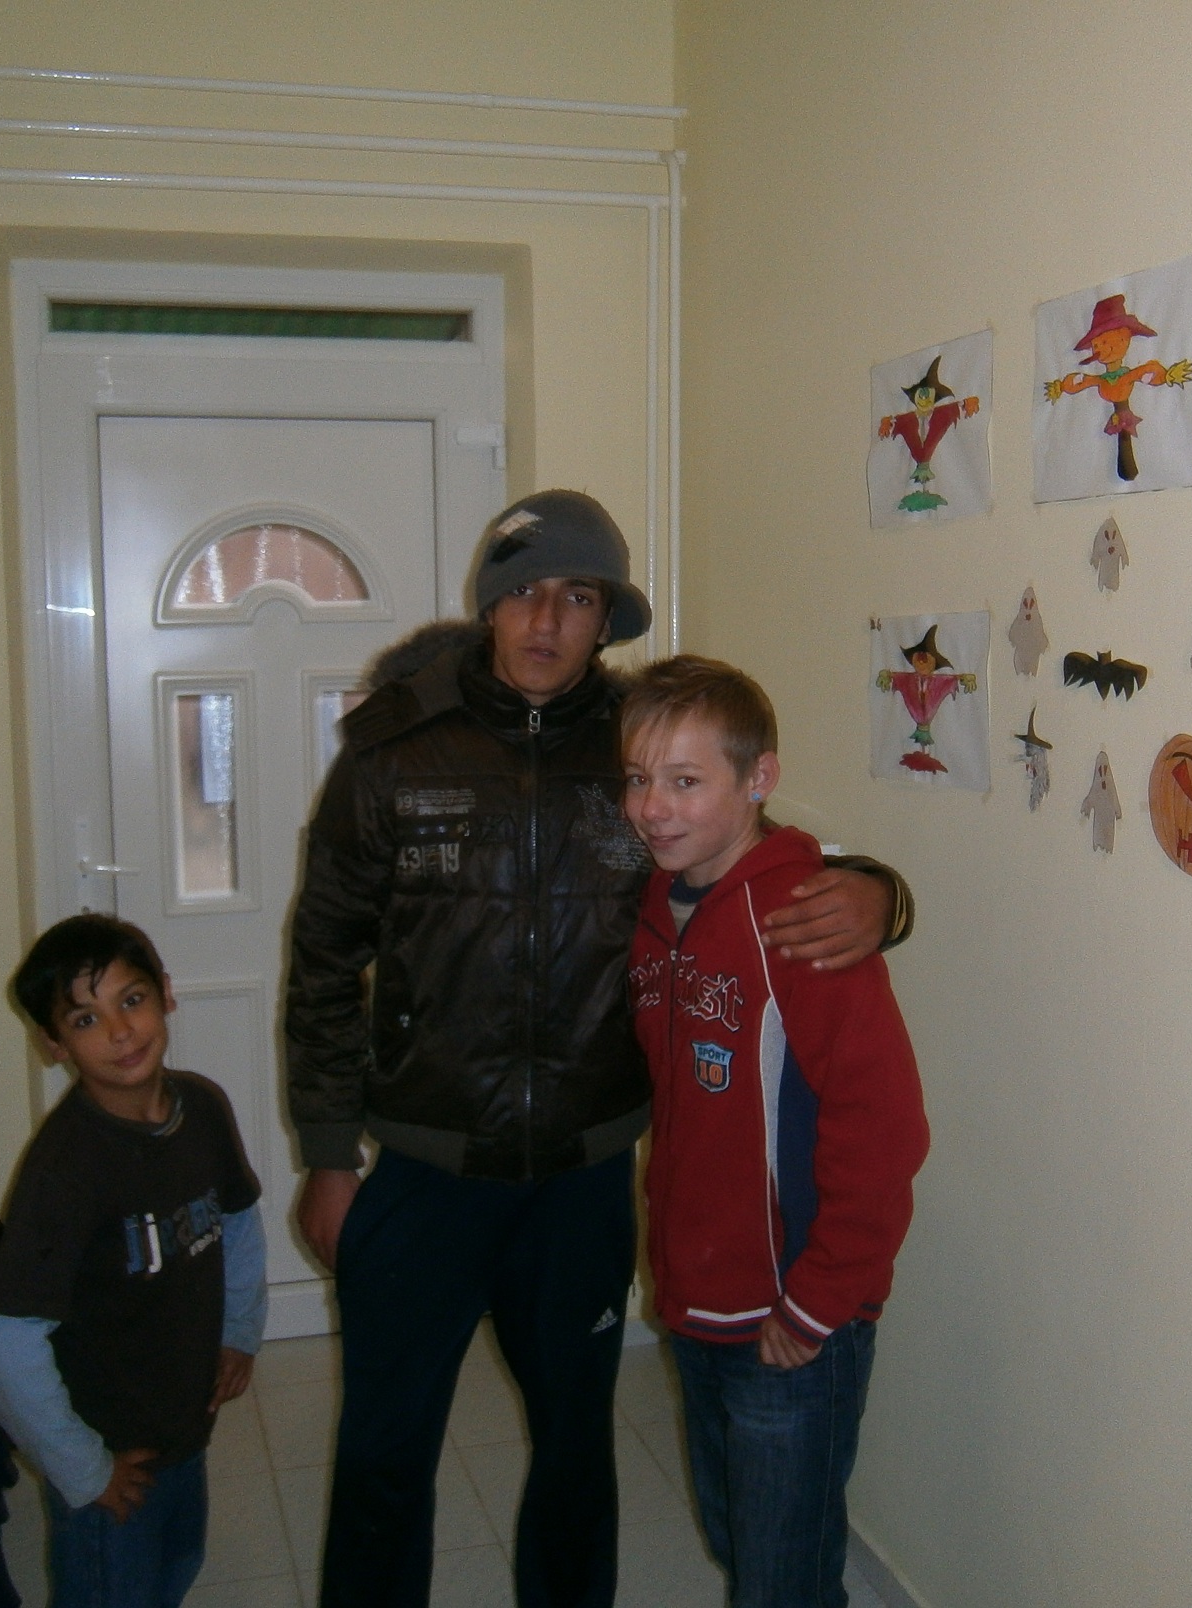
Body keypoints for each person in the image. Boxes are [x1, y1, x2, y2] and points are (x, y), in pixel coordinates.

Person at [283, 489, 912, 1607]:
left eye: (577, 598)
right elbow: (324, 957)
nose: (546, 620)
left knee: (576, 1451)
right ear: (487, 603)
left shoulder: (638, 749)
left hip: (580, 1180)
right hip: (423, 1169)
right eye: (524, 591)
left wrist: (876, 890)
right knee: (383, 1453)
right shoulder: (393, 749)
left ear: (607, 618)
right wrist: (330, 1153)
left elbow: (749, 852)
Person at [619, 655, 929, 1608]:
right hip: (698, 1302)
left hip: (794, 1316)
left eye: (685, 781)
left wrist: (818, 1300)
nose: (653, 809)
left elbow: (885, 1131)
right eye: (637, 778)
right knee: (738, 1540)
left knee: (782, 1580)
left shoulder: (807, 921)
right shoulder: (656, 907)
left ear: (759, 778)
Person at [0, 914, 268, 1608]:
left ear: (166, 994)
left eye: (131, 999)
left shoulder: (203, 1107)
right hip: (112, 1454)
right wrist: (83, 1470)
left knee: (176, 1569)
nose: (120, 1031)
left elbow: (238, 1220)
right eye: (86, 1019)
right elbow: (7, 1345)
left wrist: (240, 1330)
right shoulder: (65, 1170)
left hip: (183, 1426)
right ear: (54, 1044)